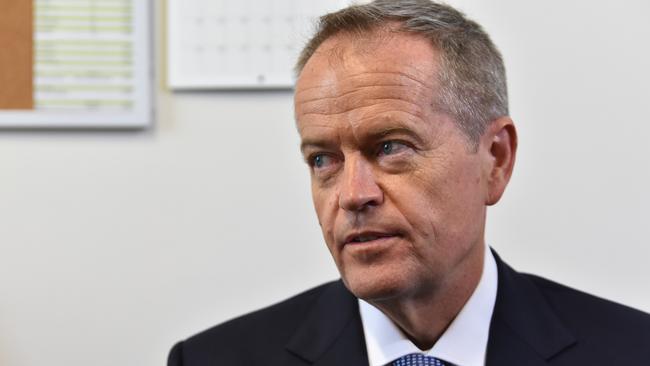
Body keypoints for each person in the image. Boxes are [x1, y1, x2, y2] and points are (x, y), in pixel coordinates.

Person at [168, 1, 650, 365]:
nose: (354, 195)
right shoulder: (214, 359)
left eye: (390, 147)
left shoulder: (631, 350)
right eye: (322, 159)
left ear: (496, 160)